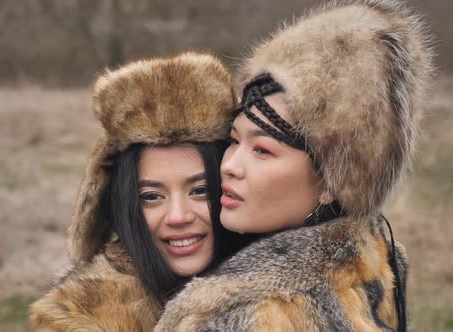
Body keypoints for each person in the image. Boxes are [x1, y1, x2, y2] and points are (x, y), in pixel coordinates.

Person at [156, 1, 433, 331]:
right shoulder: (370, 260)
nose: (229, 165)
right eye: (233, 140)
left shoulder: (250, 315)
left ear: (332, 182)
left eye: (261, 150)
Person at [30, 53, 247, 331]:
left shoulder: (285, 292)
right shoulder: (87, 318)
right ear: (126, 205)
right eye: (152, 197)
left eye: (200, 190)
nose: (178, 217)